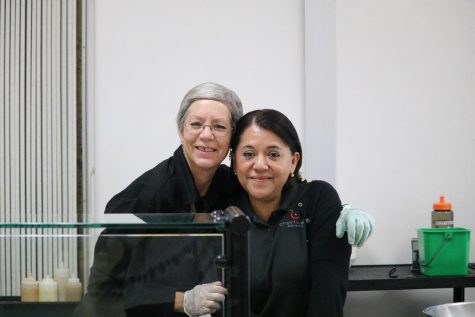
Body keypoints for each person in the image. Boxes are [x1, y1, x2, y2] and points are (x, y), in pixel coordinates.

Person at [75, 83, 373, 317]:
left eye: (218, 126)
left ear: (230, 139)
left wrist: (337, 209)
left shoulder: (229, 185)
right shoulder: (143, 198)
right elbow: (103, 292)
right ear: (181, 131)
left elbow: (285, 187)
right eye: (196, 125)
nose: (206, 135)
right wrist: (181, 300)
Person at [229, 109, 352, 317]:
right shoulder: (223, 207)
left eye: (273, 154)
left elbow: (328, 292)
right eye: (248, 154)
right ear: (234, 161)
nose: (259, 165)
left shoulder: (317, 199)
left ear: (293, 161)